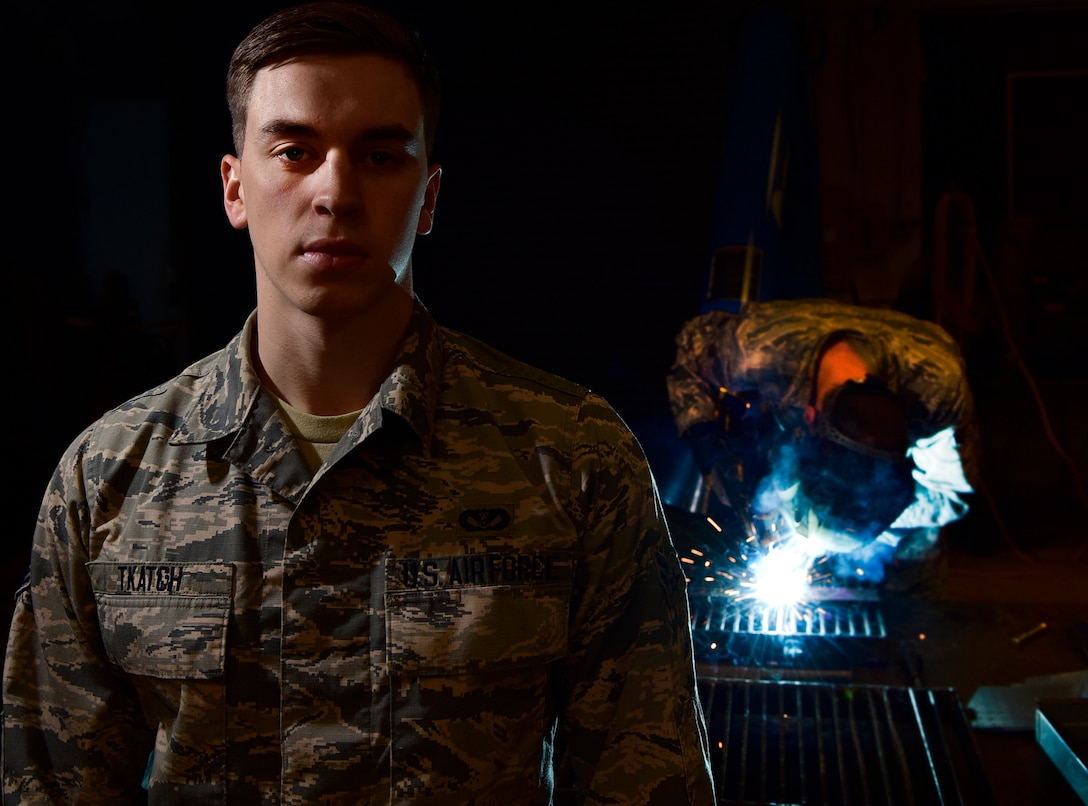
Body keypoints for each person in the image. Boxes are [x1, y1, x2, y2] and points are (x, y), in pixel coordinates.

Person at [2, 3, 716, 803]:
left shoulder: (573, 460)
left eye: (379, 156)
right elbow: (52, 786)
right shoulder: (109, 475)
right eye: (294, 152)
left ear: (430, 196)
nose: (335, 191)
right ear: (235, 189)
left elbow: (647, 781)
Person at [666, 296, 979, 587]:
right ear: (809, 417)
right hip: (790, 356)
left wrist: (853, 531)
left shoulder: (938, 393)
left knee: (915, 559)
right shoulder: (758, 349)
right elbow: (690, 353)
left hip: (913, 425)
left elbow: (948, 495)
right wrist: (704, 437)